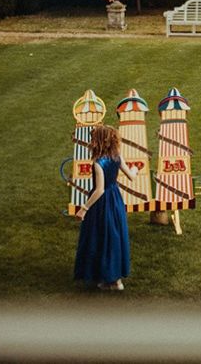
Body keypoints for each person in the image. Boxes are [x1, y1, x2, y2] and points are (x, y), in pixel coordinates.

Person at [74, 123, 138, 291]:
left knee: (101, 237)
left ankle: (105, 278)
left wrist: (84, 208)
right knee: (114, 236)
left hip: (101, 204)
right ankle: (116, 280)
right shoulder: (117, 156)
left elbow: (99, 190)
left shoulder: (98, 163)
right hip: (115, 199)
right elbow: (131, 177)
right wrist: (135, 170)